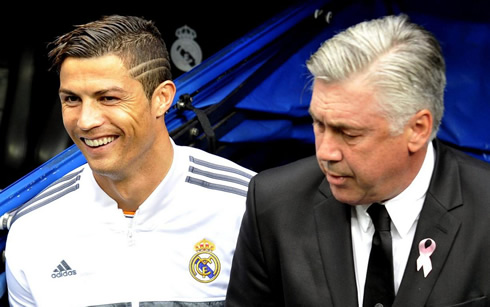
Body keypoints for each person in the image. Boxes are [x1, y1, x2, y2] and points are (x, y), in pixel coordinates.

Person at [226, 14, 490, 307]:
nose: (325, 152)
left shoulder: (485, 209)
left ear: (417, 130)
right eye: (318, 124)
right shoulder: (273, 204)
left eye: (349, 133)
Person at [4, 15, 256, 306]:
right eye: (72, 99)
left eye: (109, 98)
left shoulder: (248, 207)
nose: (85, 121)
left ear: (162, 98)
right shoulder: (32, 229)